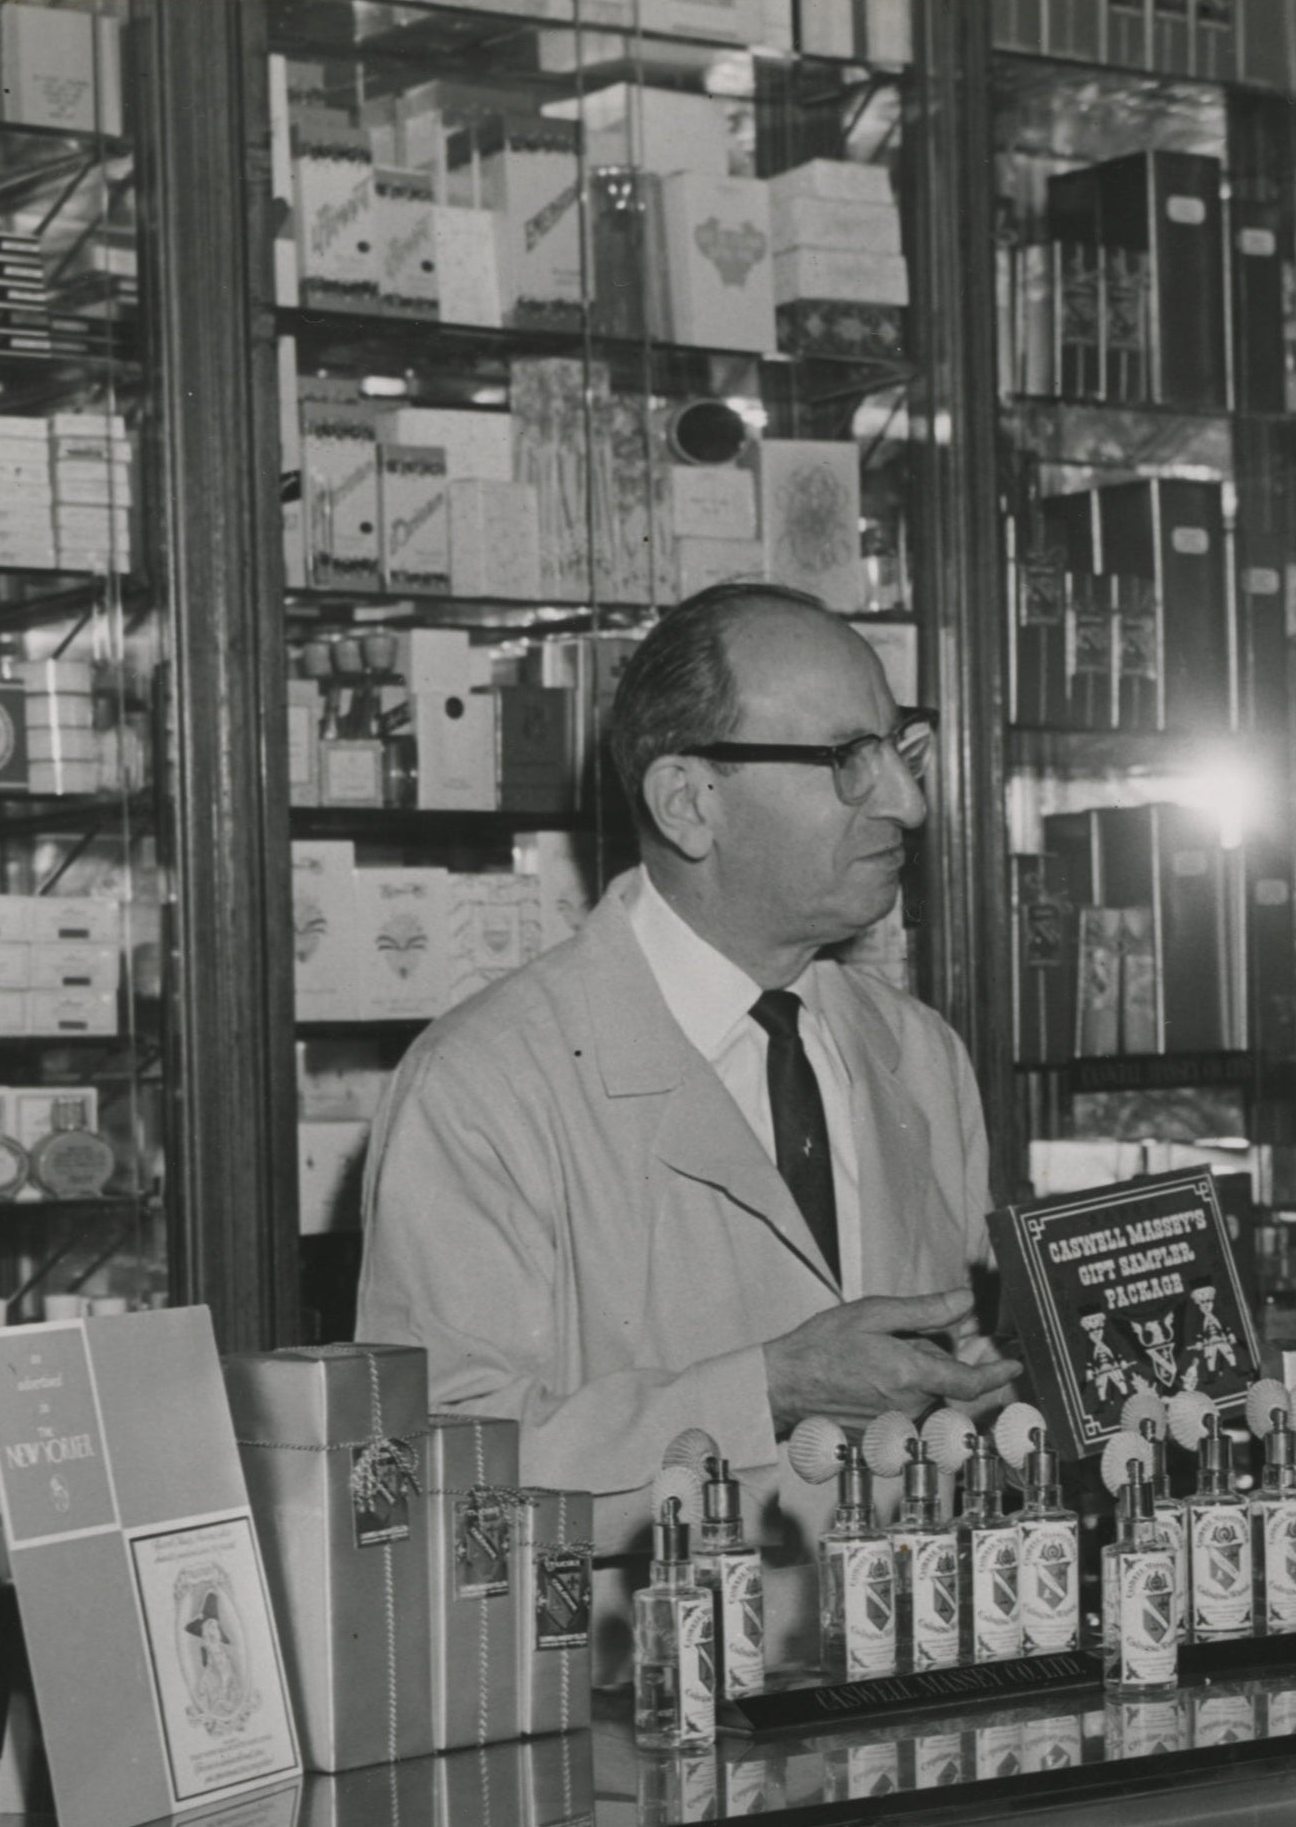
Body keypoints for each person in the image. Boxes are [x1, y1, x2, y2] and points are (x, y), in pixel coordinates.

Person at [357, 582, 1017, 1627]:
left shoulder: (920, 1053)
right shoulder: (483, 1082)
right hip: (639, 1690)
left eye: (901, 747)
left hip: (914, 1668)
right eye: (849, 758)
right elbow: (439, 1473)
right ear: (687, 802)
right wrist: (769, 1390)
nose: (907, 801)